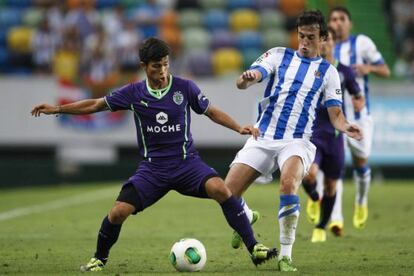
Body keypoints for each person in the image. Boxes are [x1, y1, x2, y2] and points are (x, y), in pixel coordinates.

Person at [31, 38, 277, 272]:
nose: (162, 70)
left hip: (186, 164)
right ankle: (99, 259)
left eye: (166, 64)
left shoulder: (184, 87)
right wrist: (58, 109)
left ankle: (255, 248)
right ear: (144, 66)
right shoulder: (133, 93)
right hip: (153, 170)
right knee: (117, 213)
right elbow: (96, 104)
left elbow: (210, 111)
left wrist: (238, 127)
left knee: (222, 190)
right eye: (157, 66)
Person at [225, 10, 363, 272]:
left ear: (322, 38)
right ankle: (247, 215)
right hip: (263, 136)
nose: (304, 42)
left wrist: (347, 127)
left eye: (311, 37)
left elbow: (336, 115)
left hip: (297, 141)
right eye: (301, 36)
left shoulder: (328, 72)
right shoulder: (279, 55)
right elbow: (246, 79)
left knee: (288, 184)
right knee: (227, 193)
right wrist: (248, 78)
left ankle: (285, 255)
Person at [328, 6, 390, 233]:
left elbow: (385, 70)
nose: (337, 22)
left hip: (360, 117)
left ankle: (361, 201)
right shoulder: (326, 46)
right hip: (335, 118)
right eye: (333, 19)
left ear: (349, 23)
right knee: (335, 167)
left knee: (361, 163)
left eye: (342, 19)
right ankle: (336, 218)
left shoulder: (362, 43)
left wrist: (368, 68)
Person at [302, 27, 364, 243]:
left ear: (333, 44)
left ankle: (320, 227)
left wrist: (358, 106)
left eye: (328, 40)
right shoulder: (309, 68)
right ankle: (313, 196)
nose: (325, 44)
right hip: (313, 134)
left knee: (331, 185)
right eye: (322, 40)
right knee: (309, 174)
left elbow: (357, 93)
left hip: (336, 137)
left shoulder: (345, 71)